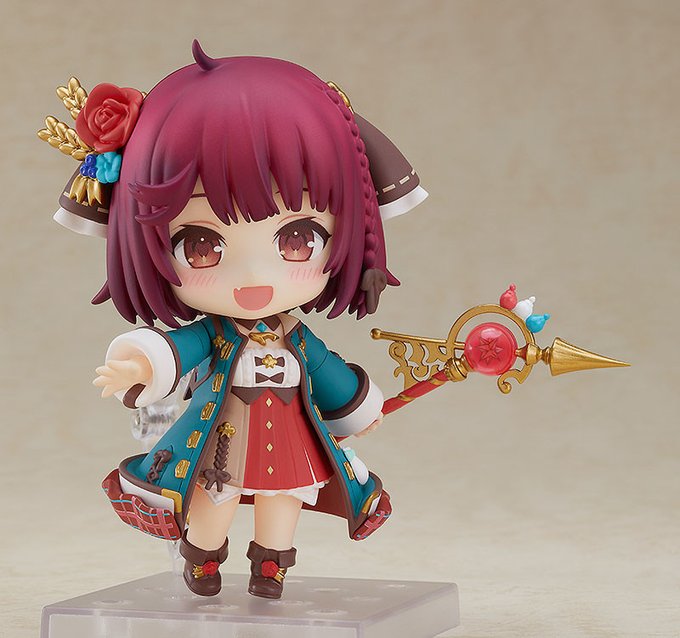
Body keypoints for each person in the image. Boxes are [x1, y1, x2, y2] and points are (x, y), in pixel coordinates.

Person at [41, 41, 427, 598]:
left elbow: (327, 371)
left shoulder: (296, 338)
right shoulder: (215, 333)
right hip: (220, 439)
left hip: (291, 440)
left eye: (298, 239)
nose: (254, 277)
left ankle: (272, 564)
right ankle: (202, 557)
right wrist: (141, 365)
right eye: (200, 245)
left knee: (283, 502)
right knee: (213, 499)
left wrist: (357, 409)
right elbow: (180, 350)